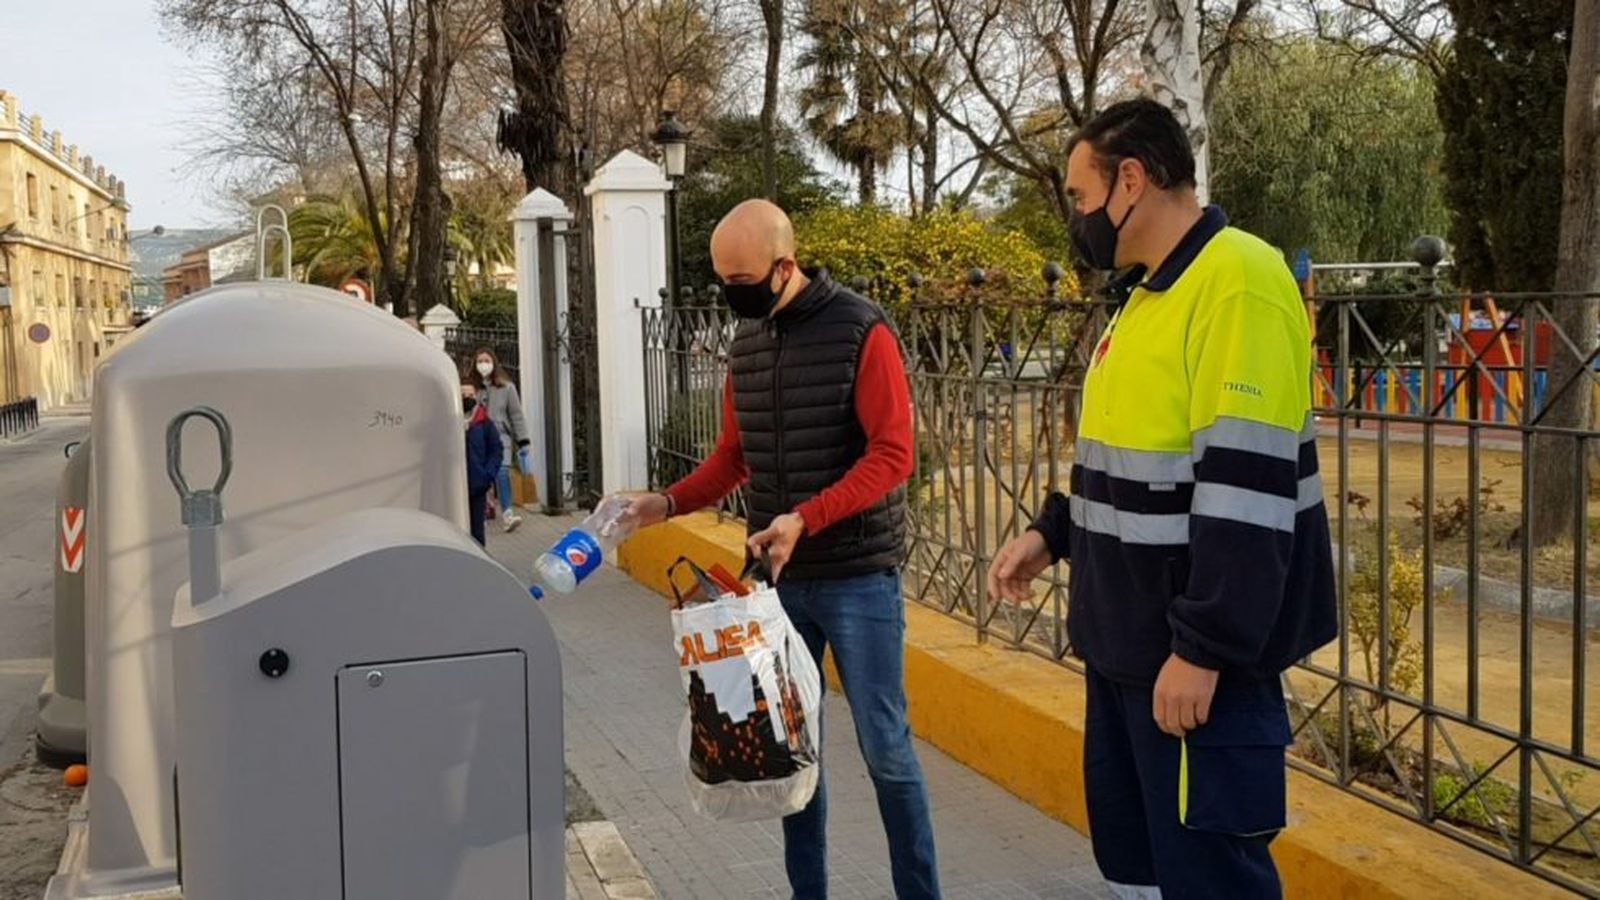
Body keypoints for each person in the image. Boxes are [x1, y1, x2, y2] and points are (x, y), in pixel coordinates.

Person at [987, 99, 1337, 900]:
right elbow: (1136, 463)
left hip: (1190, 668)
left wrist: (1204, 648)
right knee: (1143, 876)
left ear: (1131, 181)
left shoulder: (1238, 281)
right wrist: (1053, 534)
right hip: (1129, 655)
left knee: (1212, 880)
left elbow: (1246, 489)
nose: (1076, 218)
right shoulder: (1144, 297)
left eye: (1080, 196)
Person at [626, 199, 940, 899]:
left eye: (741, 280)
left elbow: (894, 454)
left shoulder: (860, 329)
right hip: (776, 584)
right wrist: (665, 503)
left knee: (887, 751)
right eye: (722, 280)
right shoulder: (747, 344)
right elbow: (733, 458)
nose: (731, 294)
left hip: (858, 576)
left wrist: (807, 517)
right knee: (790, 754)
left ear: (784, 266)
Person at [472, 348, 531, 531]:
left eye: (486, 360)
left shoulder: (507, 387)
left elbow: (516, 415)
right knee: (481, 476)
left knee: (502, 472)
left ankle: (507, 514)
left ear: (494, 363)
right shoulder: (471, 387)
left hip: (500, 436)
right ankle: (481, 513)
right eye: (480, 361)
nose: (483, 364)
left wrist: (523, 440)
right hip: (478, 437)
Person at [462, 383, 503, 547]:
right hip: (454, 486)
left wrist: (488, 475)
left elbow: (496, 450)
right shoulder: (448, 422)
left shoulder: (484, 422)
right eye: (463, 396)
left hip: (477, 486)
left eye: (470, 395)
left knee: (477, 532)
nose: (467, 399)